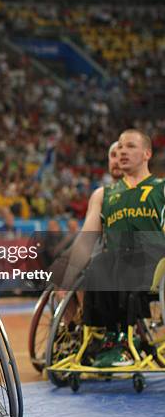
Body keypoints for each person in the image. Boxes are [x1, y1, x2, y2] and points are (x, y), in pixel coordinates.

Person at [57, 130, 164, 367]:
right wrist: (66, 280)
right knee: (98, 263)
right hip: (116, 260)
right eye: (120, 147)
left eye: (131, 147)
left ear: (147, 153)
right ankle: (110, 339)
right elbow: (86, 241)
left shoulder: (161, 188)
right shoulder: (104, 194)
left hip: (154, 262)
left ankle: (125, 339)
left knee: (121, 259)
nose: (123, 151)